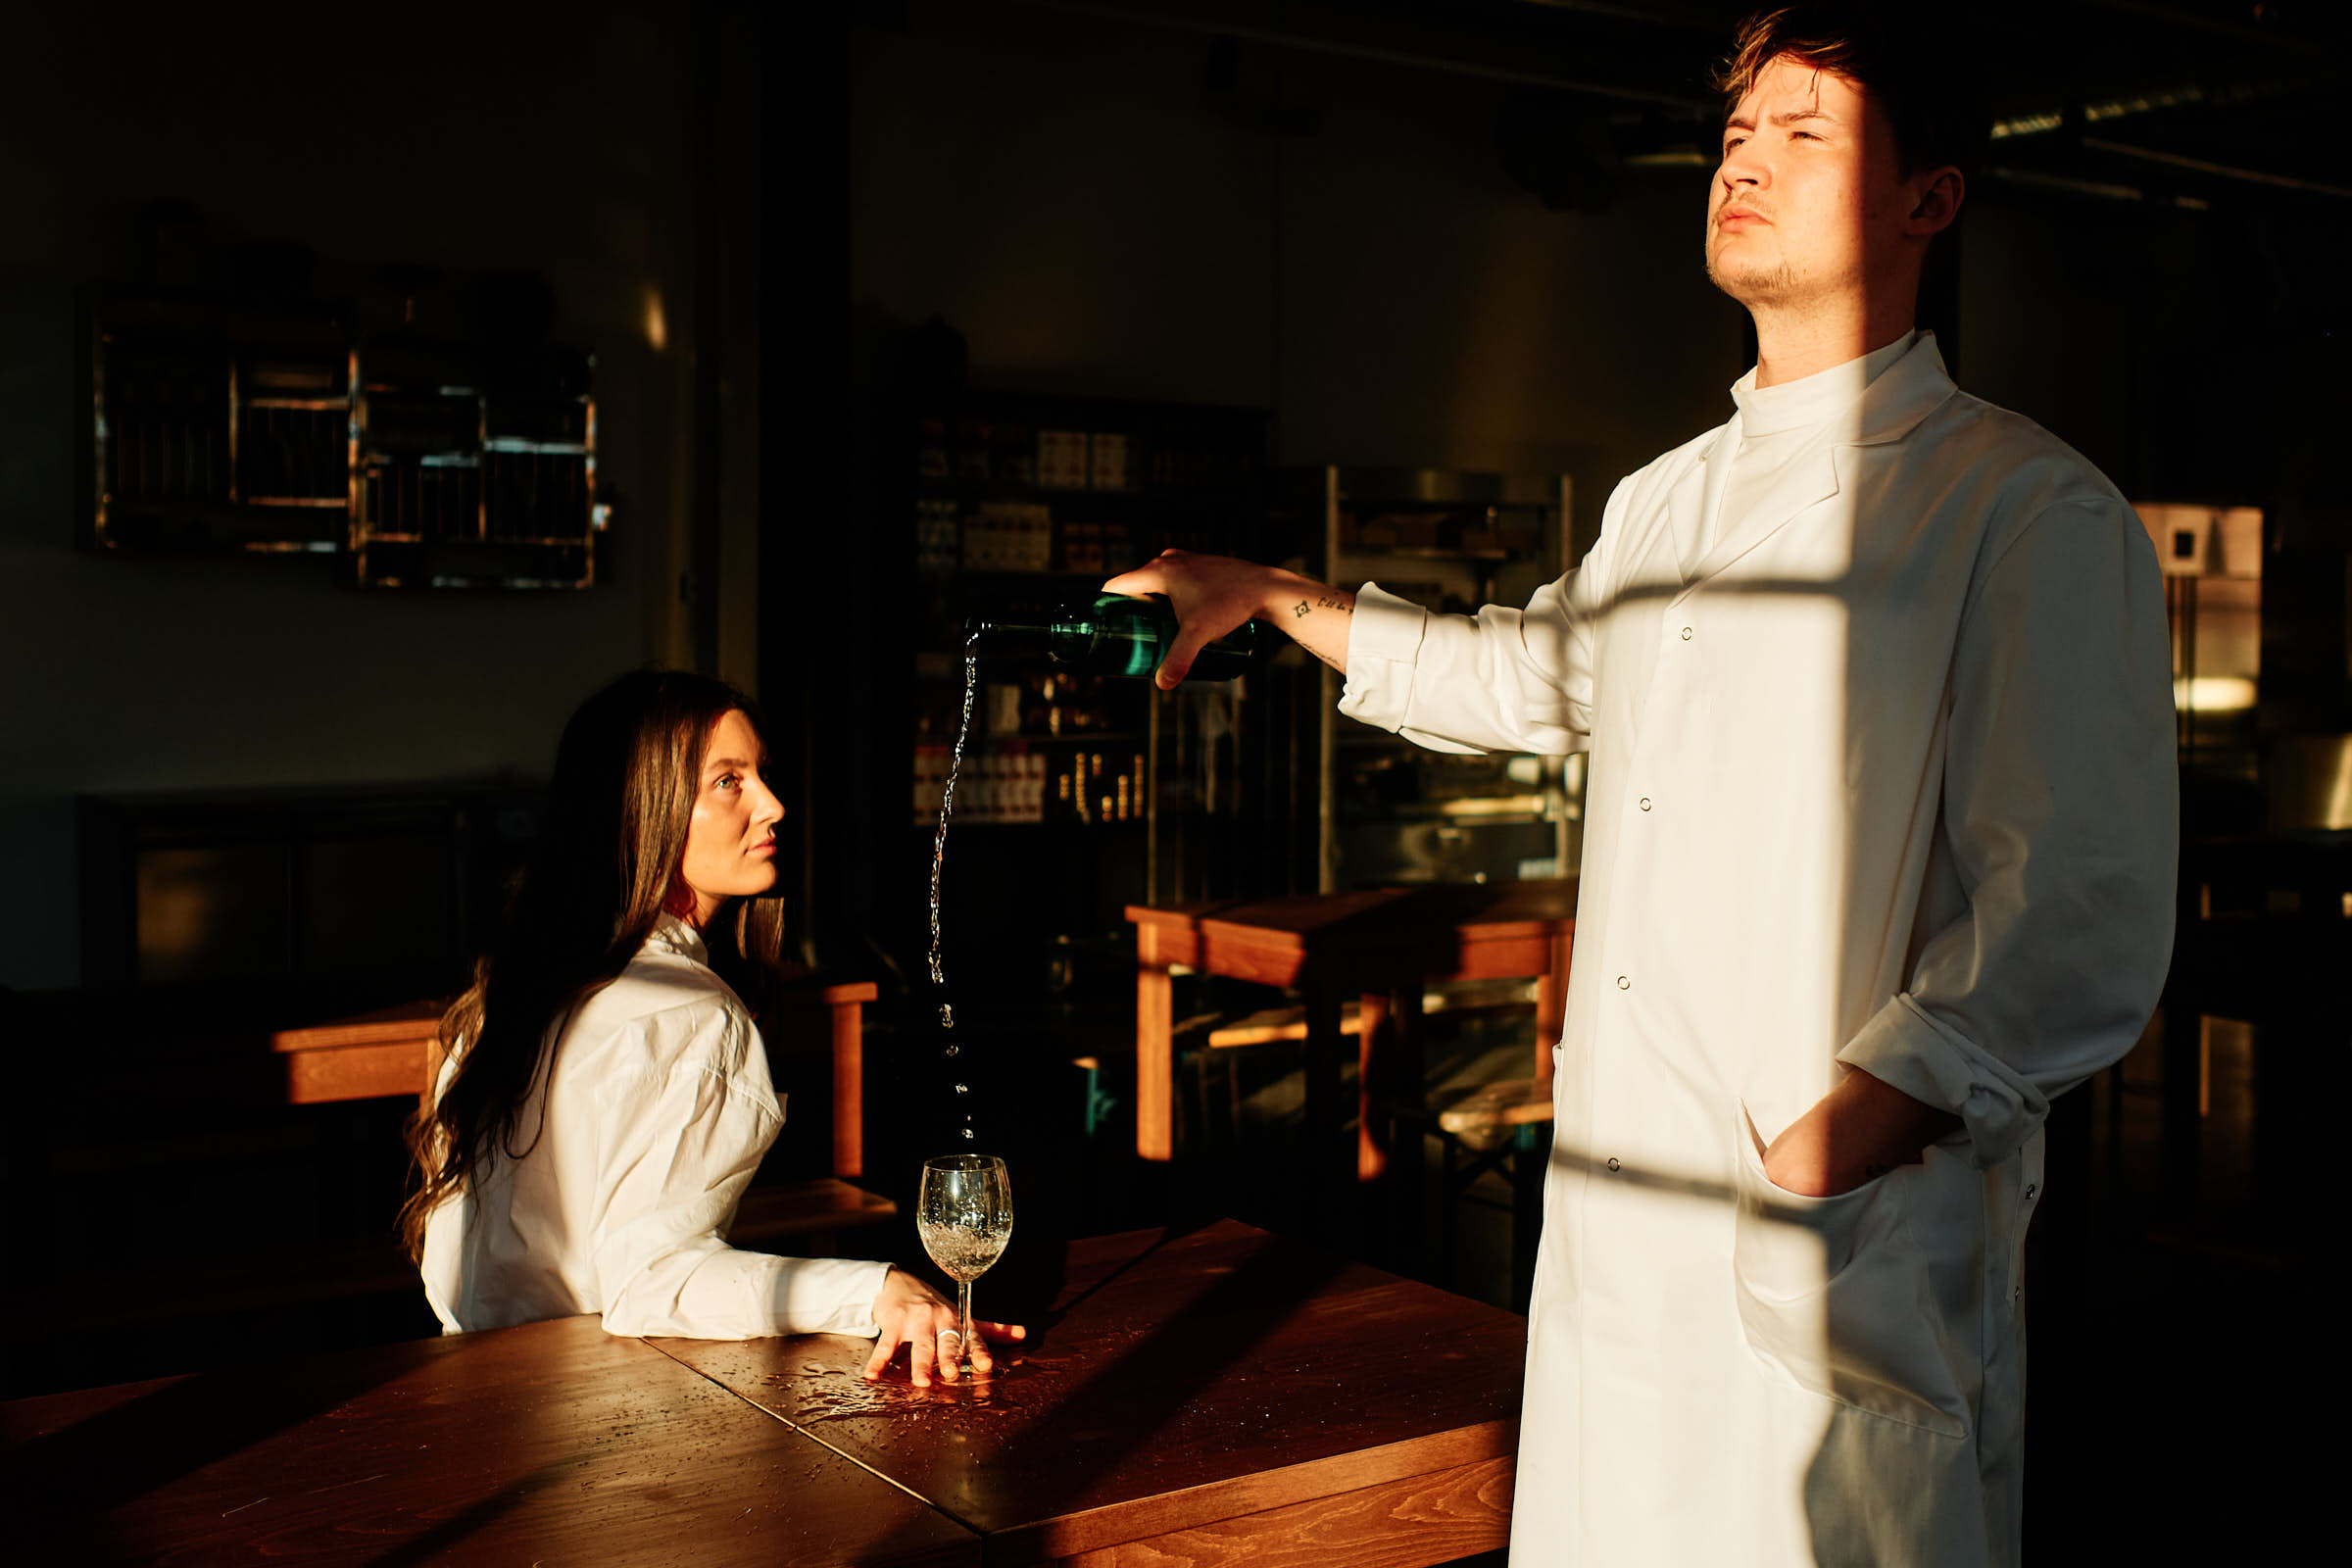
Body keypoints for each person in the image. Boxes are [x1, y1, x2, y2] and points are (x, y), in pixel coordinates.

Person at [1104, 5, 2175, 1563]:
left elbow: (2076, 909)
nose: (1746, 158)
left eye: (1806, 132)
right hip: (1623, 1220)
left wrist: (1860, 1120)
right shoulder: (1666, 497)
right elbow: (1533, 677)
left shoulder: (2021, 507)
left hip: (1821, 1227)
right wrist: (1276, 597)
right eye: (1738, 131)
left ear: (1930, 198)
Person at [400, 669, 1019, 1385]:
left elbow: (452, 1270)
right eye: (729, 781)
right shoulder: (693, 1014)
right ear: (642, 811)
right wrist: (878, 1292)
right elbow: (650, 1282)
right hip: (596, 1417)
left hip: (470, 1394)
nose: (774, 805)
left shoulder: (510, 995)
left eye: (760, 774)